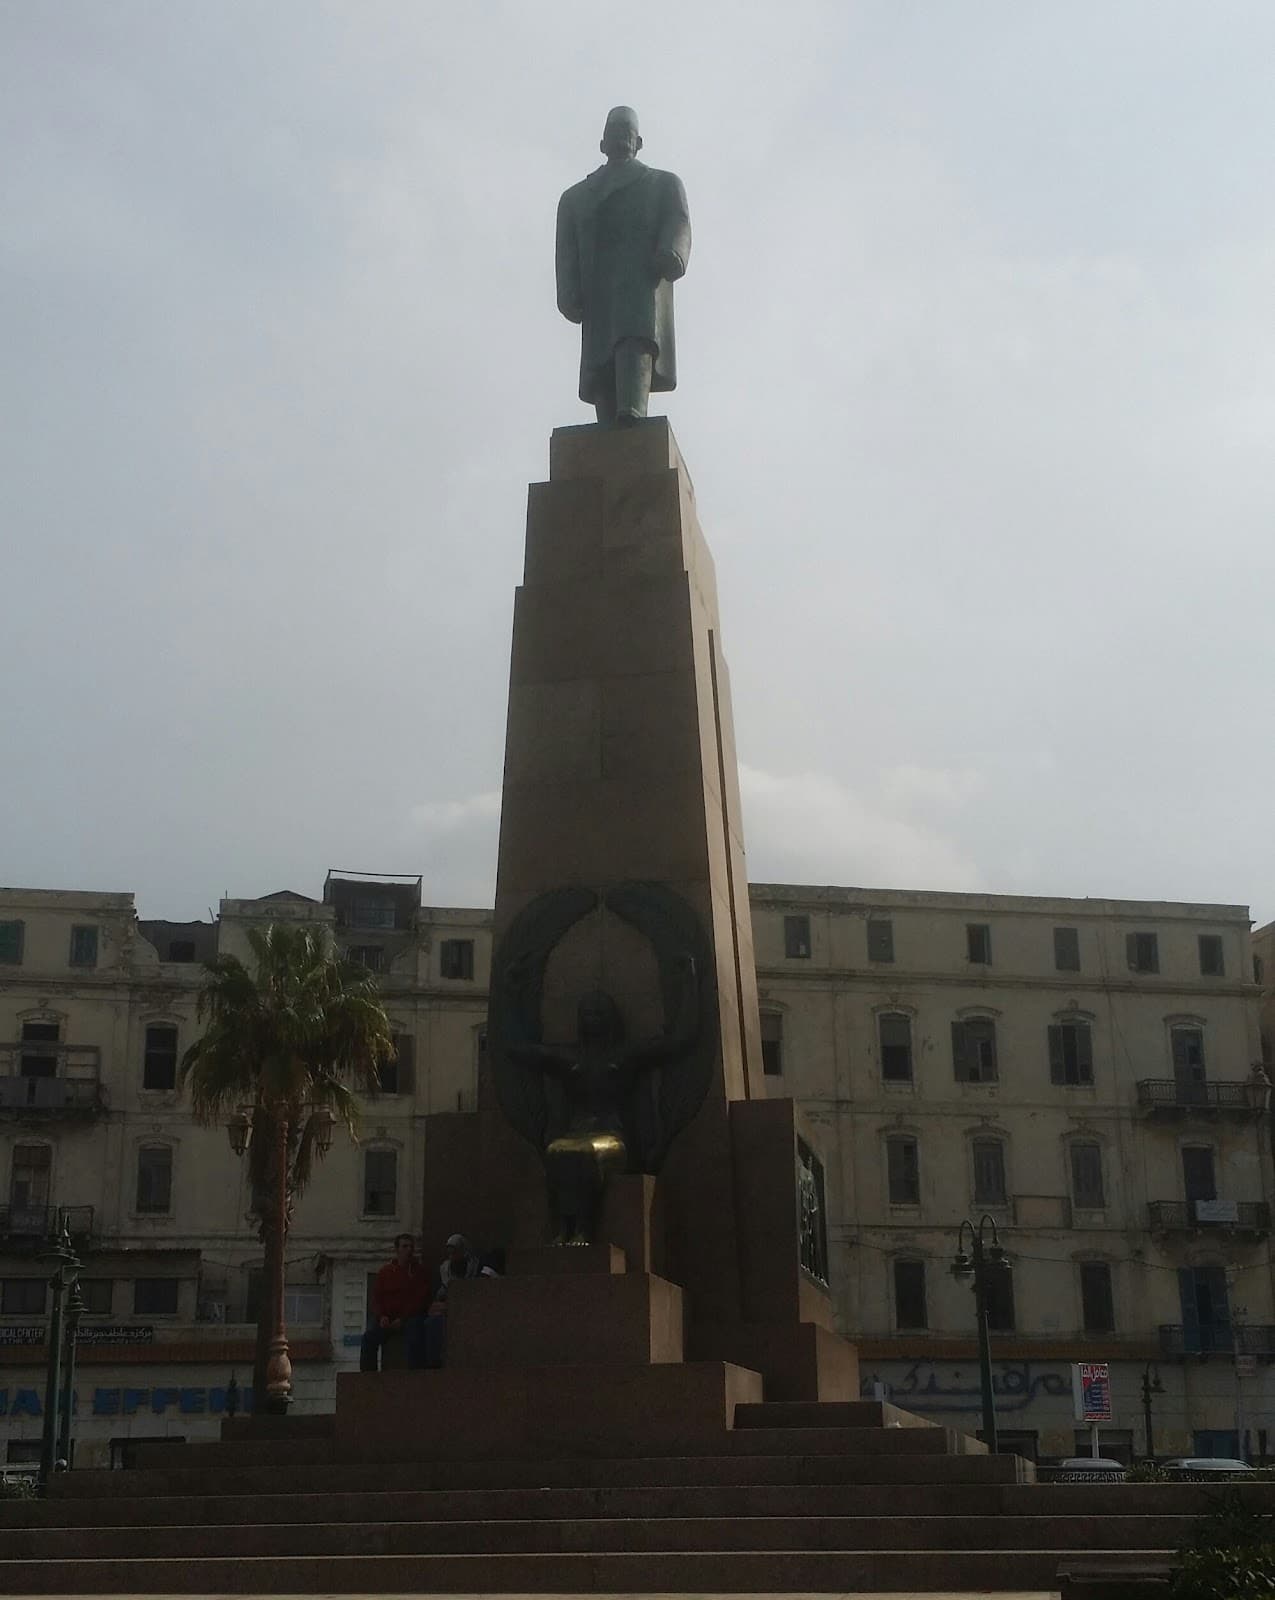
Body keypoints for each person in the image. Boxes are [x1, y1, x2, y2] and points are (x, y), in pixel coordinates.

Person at [555, 106, 691, 424]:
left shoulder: (661, 183)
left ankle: (632, 409)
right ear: (601, 144)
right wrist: (567, 291)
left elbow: (678, 221)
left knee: (635, 337)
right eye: (613, 132)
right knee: (599, 355)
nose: (620, 138)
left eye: (626, 132)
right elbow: (566, 251)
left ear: (639, 142)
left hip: (639, 281)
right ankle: (607, 420)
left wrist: (672, 252)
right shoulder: (575, 198)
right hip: (597, 287)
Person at [422, 1232, 498, 1368]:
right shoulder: (444, 1270)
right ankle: (434, 1365)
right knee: (432, 1323)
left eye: (455, 1253)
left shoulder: (477, 1266)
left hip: (472, 1310)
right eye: (450, 1253)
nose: (452, 1257)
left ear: (464, 1252)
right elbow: (437, 1299)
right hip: (449, 1311)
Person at [360, 1233, 430, 1372]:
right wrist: (382, 1317)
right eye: (404, 1246)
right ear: (397, 1249)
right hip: (387, 1318)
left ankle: (415, 1374)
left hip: (410, 1317)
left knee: (416, 1333)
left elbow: (420, 1300)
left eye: (411, 1247)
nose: (408, 1250)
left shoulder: (419, 1272)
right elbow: (377, 1298)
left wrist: (403, 1319)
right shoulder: (385, 1272)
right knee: (369, 1337)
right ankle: (368, 1376)